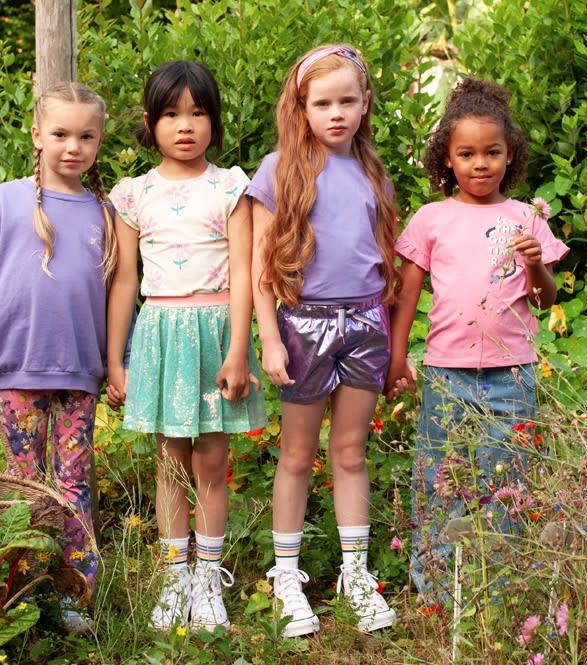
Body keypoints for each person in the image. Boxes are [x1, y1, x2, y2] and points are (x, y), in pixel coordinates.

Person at [384, 77, 571, 604]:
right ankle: (436, 588)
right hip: (446, 373)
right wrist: (397, 359)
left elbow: (544, 301)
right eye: (467, 154)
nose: (480, 164)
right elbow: (406, 296)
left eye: (492, 152)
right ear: (447, 158)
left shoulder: (526, 219)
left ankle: (499, 588)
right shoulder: (432, 219)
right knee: (440, 478)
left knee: (507, 478)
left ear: (511, 155)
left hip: (513, 374)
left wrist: (536, 265)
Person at [105, 60, 266, 633]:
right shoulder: (134, 194)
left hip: (217, 333)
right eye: (172, 114)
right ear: (152, 122)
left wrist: (238, 350)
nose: (185, 125)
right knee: (170, 461)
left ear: (213, 122)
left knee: (212, 459)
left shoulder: (230, 187)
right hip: (160, 335)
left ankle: (208, 579)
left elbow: (245, 273)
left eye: (198, 113)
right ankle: (175, 578)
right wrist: (115, 358)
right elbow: (125, 280)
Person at [0, 81, 116, 635]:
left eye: (86, 136)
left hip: (80, 373)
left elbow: (119, 297)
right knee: (21, 487)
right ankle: (18, 590)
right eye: (61, 134)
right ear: (37, 136)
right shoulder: (3, 201)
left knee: (73, 485)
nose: (73, 146)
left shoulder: (105, 213)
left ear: (99, 141)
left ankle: (73, 595)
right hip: (18, 371)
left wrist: (116, 362)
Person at [248, 44, 398, 637]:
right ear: (301, 107)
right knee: (296, 453)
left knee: (351, 451)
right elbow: (261, 266)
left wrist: (394, 342)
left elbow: (382, 260)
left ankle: (355, 574)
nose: (336, 113)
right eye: (322, 103)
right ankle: (286, 577)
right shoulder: (279, 169)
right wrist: (270, 337)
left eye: (347, 101)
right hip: (303, 326)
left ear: (365, 104)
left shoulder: (374, 173)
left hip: (366, 324)